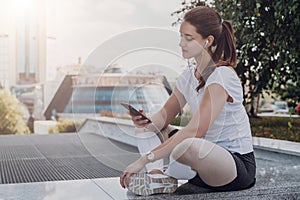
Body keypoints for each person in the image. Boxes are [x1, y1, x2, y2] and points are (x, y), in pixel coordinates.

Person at [120, 6, 256, 196]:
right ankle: (158, 177)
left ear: (208, 41)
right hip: (200, 159)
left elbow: (196, 129)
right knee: (147, 128)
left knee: (188, 146)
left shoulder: (222, 76)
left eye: (188, 38)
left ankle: (163, 172)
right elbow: (163, 118)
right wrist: (146, 120)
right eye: (181, 36)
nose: (181, 43)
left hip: (234, 166)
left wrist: (144, 160)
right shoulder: (187, 77)